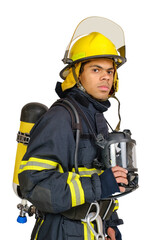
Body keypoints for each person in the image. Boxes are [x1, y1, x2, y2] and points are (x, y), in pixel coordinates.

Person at [19, 17, 128, 240]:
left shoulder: (96, 117)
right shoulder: (61, 117)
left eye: (110, 71)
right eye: (96, 69)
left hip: (91, 229)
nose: (106, 76)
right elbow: (35, 185)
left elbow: (95, 176)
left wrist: (109, 223)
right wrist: (100, 184)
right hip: (60, 232)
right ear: (77, 74)